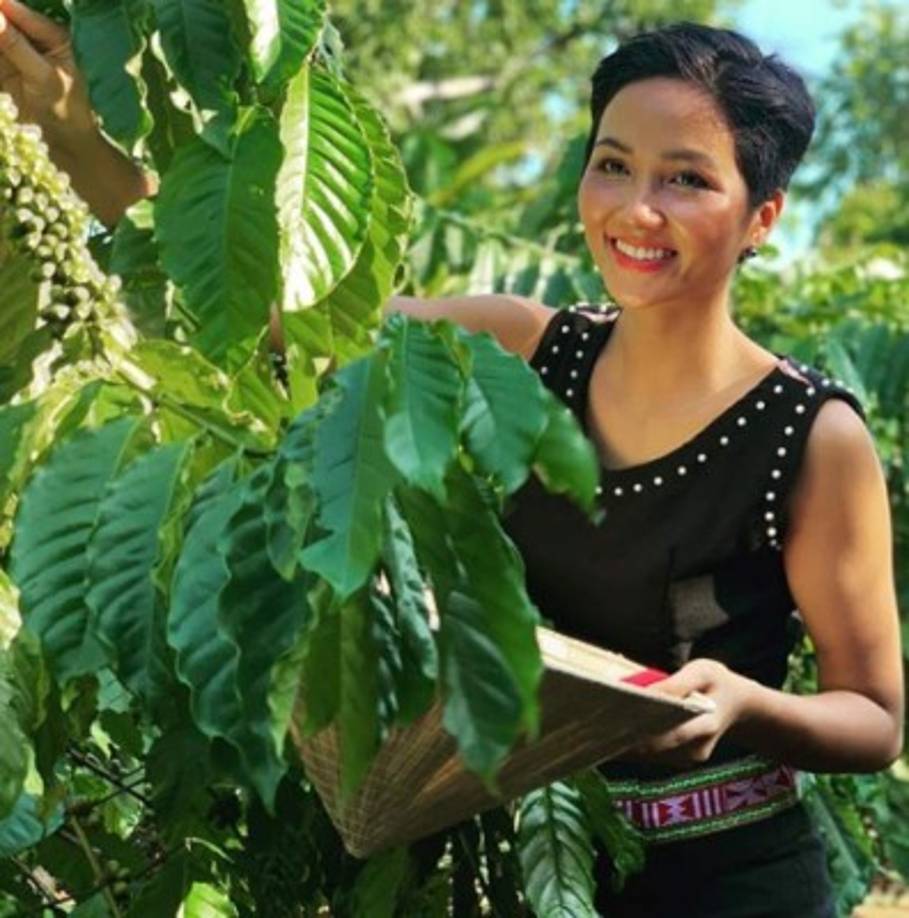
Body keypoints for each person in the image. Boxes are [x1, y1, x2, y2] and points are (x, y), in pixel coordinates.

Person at [4, 9, 903, 916]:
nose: (636, 209)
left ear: (762, 217)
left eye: (686, 180)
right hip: (534, 870)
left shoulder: (807, 432)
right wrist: (74, 133)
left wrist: (742, 705)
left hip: (736, 881)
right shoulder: (517, 348)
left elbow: (872, 717)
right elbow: (279, 325)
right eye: (613, 165)